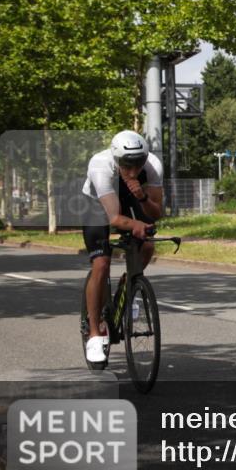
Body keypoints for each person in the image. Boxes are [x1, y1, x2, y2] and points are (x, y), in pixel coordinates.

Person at [81, 130, 164, 362]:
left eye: (138, 164)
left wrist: (143, 197)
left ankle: (129, 287)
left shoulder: (153, 165)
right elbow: (114, 218)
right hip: (98, 206)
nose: (133, 171)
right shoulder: (100, 165)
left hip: (132, 201)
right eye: (127, 165)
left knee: (147, 246)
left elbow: (157, 212)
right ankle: (95, 333)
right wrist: (135, 224)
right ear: (116, 159)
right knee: (101, 263)